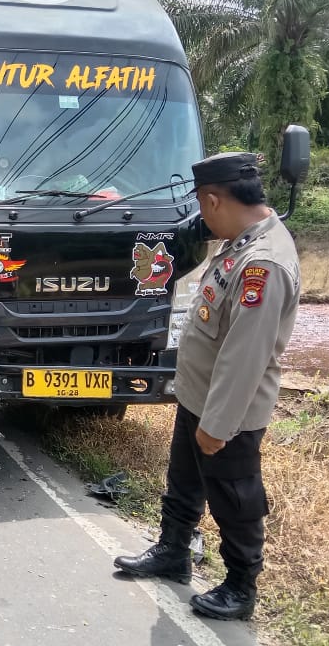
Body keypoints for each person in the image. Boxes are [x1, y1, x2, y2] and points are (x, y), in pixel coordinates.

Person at [112, 152, 301, 621]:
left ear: (215, 200)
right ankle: (173, 552)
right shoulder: (240, 241)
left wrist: (217, 426)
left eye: (201, 207)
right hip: (199, 397)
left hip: (228, 413)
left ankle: (240, 586)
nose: (201, 218)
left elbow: (246, 358)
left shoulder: (264, 264)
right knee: (183, 484)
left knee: (235, 500)